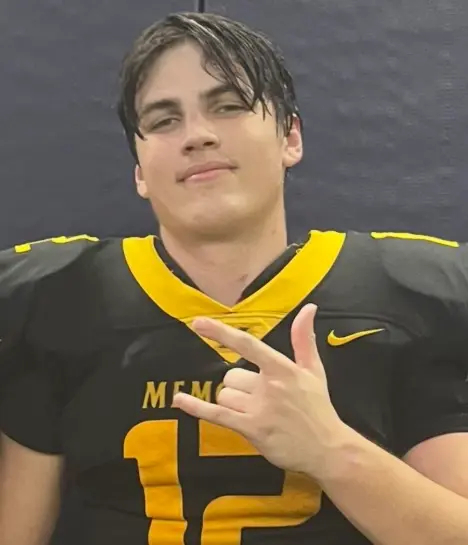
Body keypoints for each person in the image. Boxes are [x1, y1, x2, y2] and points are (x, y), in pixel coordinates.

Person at [0, 11, 467, 545]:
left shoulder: (393, 297)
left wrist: (330, 450)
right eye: (163, 120)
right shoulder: (65, 301)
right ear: (140, 172)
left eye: (228, 106)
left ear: (290, 137)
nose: (197, 135)